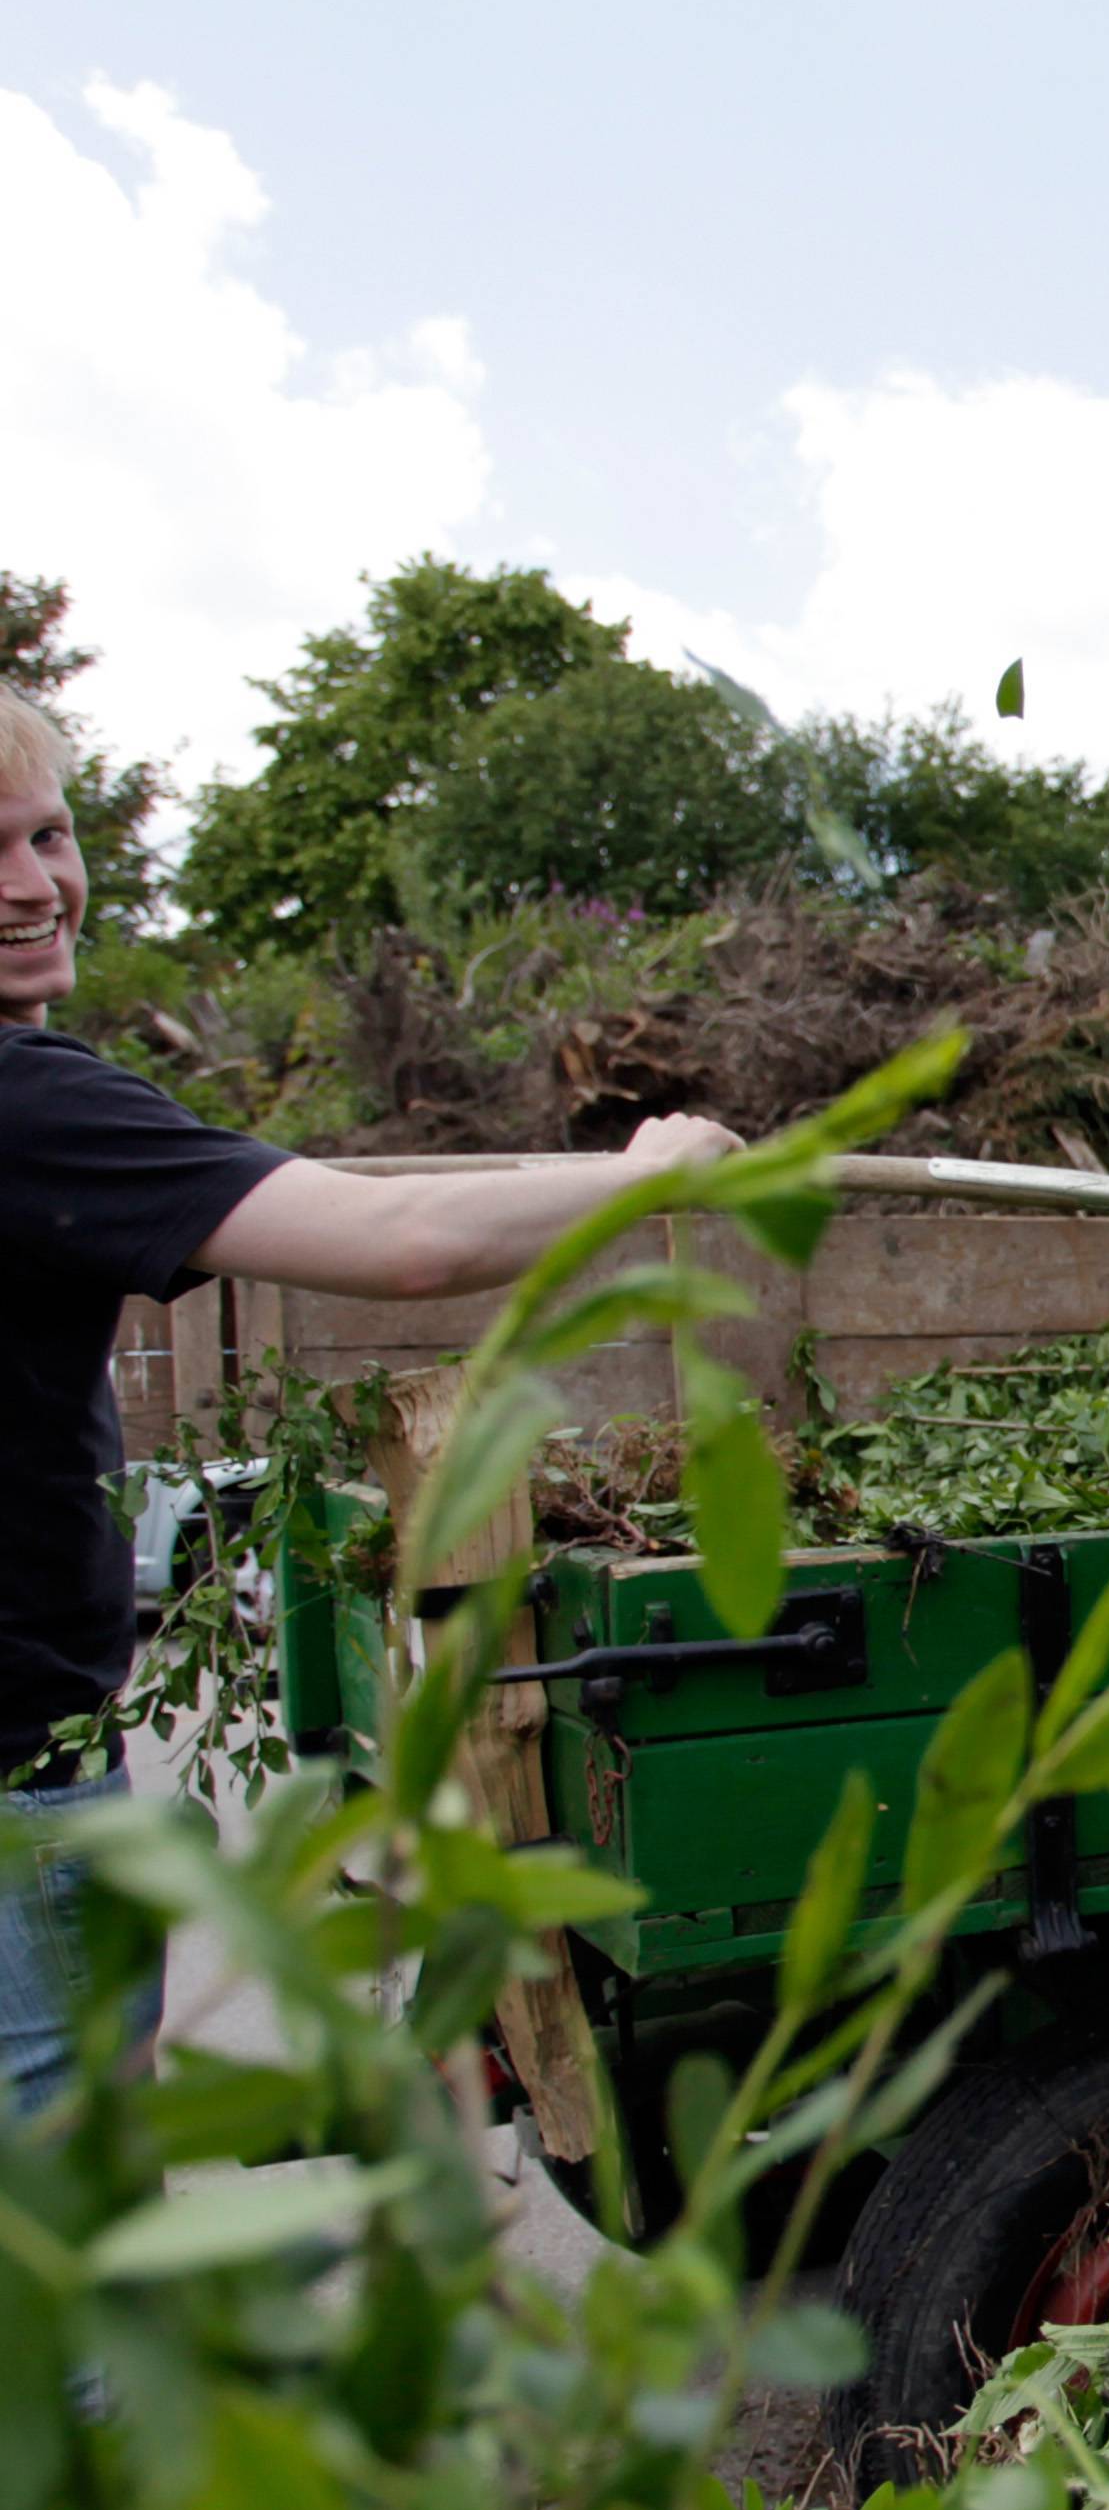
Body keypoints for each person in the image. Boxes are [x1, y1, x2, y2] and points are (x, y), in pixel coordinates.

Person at [0, 688, 740, 2116]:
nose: (36, 889)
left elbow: (361, 1207)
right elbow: (408, 1249)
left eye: (51, 834)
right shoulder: (27, 1100)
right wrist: (656, 1179)